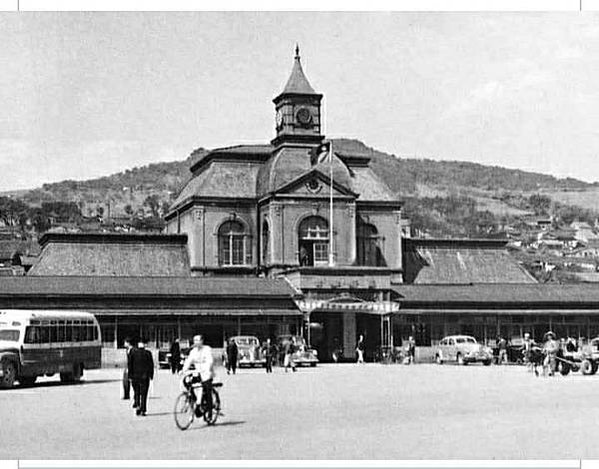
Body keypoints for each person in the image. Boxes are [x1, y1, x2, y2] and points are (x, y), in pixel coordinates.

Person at [181, 334, 215, 419]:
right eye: (194, 340)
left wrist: (207, 369)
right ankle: (195, 400)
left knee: (207, 390)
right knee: (187, 382)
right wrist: (183, 369)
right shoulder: (193, 351)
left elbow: (210, 361)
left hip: (206, 373)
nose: (196, 342)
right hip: (197, 373)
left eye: (198, 340)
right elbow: (189, 361)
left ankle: (209, 411)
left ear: (202, 341)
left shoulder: (207, 349)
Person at [128, 337, 154, 416]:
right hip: (145, 376)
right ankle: (143, 409)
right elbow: (151, 365)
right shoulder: (148, 353)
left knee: (136, 392)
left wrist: (130, 375)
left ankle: (138, 406)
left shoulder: (133, 353)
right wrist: (151, 375)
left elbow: (130, 365)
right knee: (144, 393)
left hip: (135, 376)